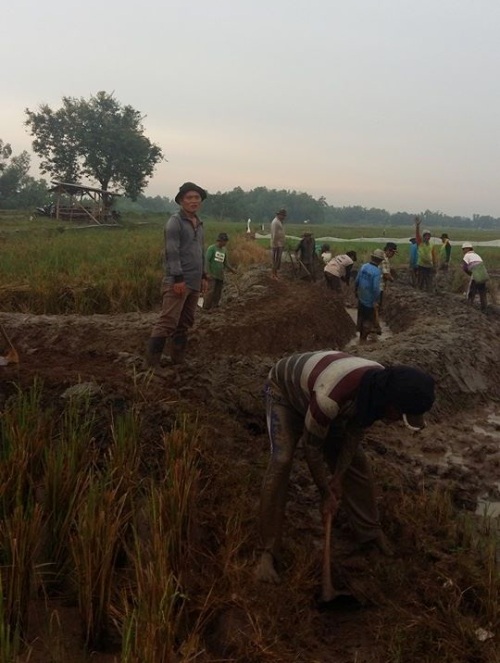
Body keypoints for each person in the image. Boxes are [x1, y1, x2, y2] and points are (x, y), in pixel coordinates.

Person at [254, 350, 435, 584]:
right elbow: (312, 450)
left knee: (357, 464)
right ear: (391, 403)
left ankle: (369, 532)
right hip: (285, 393)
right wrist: (325, 493)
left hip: (322, 397)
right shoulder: (331, 398)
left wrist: (338, 476)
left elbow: (352, 438)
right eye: (400, 414)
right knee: (282, 459)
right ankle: (266, 553)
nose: (396, 419)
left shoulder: (375, 390)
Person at [146, 182, 208, 368]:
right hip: (178, 282)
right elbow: (171, 251)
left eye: (197, 198)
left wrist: (204, 276)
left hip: (194, 282)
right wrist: (178, 278)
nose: (193, 201)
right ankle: (151, 365)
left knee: (185, 322)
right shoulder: (175, 222)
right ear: (181, 200)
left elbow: (200, 251)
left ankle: (177, 360)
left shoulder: (199, 223)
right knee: (167, 322)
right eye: (189, 198)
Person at [355, 249, 384, 343]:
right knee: (368, 320)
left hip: (361, 297)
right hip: (369, 300)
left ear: (372, 257)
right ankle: (363, 340)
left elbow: (357, 280)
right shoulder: (376, 272)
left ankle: (360, 338)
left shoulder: (364, 266)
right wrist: (376, 300)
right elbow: (376, 288)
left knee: (361, 317)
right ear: (380, 261)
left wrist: (356, 291)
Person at [203, 232, 237, 310]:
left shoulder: (224, 250)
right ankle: (206, 308)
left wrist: (232, 270)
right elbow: (207, 261)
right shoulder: (211, 248)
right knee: (210, 292)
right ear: (220, 240)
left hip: (220, 275)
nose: (225, 243)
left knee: (218, 293)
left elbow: (225, 263)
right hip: (212, 275)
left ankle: (215, 307)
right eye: (224, 241)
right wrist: (207, 273)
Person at [461, 242, 489, 312]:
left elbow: (464, 268)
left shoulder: (467, 255)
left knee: (471, 291)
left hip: (476, 275)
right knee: (482, 292)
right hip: (483, 274)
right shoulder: (477, 255)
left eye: (463, 249)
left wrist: (471, 274)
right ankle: (484, 309)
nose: (463, 251)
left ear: (467, 249)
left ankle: (469, 308)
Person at [415, 217, 436, 292]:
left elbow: (433, 255)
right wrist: (417, 226)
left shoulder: (431, 245)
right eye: (426, 236)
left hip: (429, 265)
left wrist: (434, 265)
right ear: (423, 237)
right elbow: (417, 235)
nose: (427, 237)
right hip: (421, 265)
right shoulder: (420, 243)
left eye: (429, 236)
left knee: (429, 280)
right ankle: (419, 292)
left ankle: (429, 292)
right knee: (420, 280)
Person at [379, 242, 397, 310]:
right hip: (379, 285)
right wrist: (392, 280)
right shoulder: (384, 259)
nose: (393, 255)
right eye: (393, 253)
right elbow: (386, 274)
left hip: (376, 285)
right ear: (389, 250)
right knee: (377, 305)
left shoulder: (381, 256)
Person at [270, 209, 287, 279]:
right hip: (276, 244)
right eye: (282, 215)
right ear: (279, 215)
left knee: (277, 260)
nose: (283, 217)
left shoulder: (279, 222)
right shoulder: (275, 222)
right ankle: (273, 275)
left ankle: (275, 274)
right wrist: (274, 244)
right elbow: (274, 234)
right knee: (275, 260)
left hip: (279, 244)